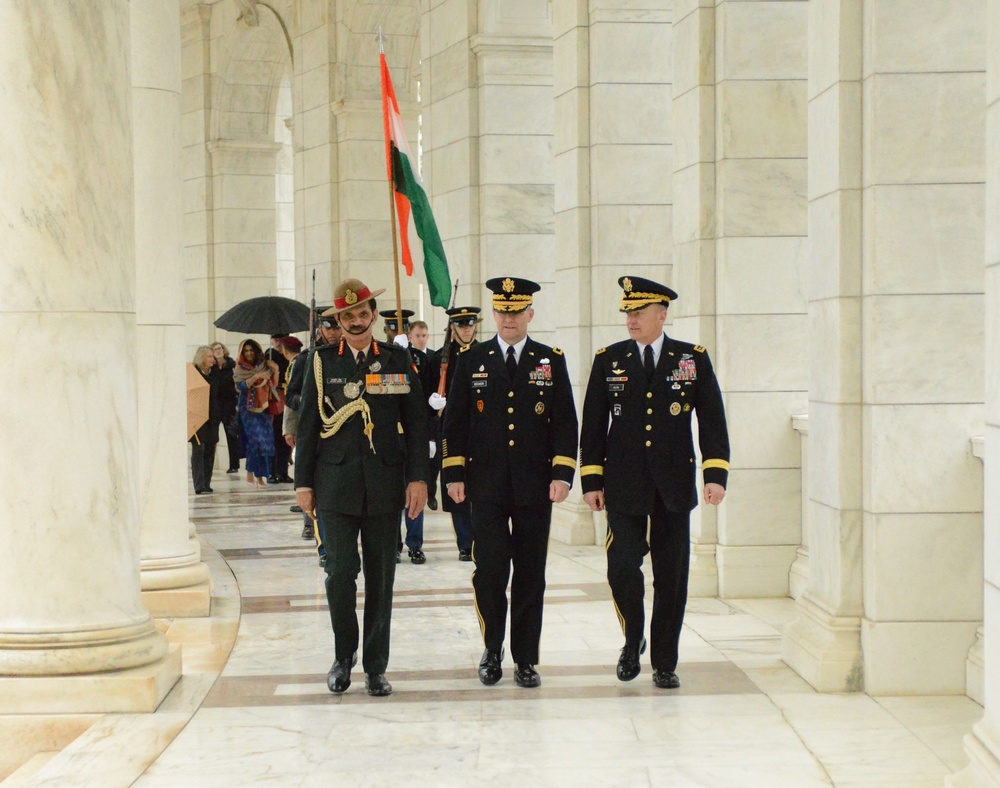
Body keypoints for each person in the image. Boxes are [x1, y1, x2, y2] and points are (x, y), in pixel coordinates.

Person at [579, 275, 730, 690]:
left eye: (639, 312)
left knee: (672, 575)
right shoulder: (609, 359)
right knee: (622, 566)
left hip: (673, 484)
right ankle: (632, 639)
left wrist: (715, 474)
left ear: (662, 314)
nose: (631, 319)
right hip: (623, 483)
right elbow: (593, 425)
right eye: (628, 312)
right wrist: (591, 479)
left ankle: (664, 660)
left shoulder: (691, 358)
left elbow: (712, 419)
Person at [294, 278, 429, 697]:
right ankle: (342, 656)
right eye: (347, 316)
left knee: (381, 576)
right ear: (338, 320)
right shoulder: (320, 363)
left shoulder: (396, 358)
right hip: (334, 485)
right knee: (339, 574)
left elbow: (418, 423)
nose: (355, 321)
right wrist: (302, 483)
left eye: (363, 313)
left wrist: (418, 478)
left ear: (374, 315)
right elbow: (308, 427)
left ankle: (375, 666)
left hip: (386, 485)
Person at [442, 277, 578, 689]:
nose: (508, 318)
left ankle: (526, 658)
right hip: (485, 485)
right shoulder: (473, 359)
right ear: (494, 315)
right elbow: (456, 421)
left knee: (530, 573)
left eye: (516, 311)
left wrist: (562, 473)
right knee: (490, 570)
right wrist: (453, 473)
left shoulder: (548, 359)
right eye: (502, 311)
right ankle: (491, 649)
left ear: (530, 315)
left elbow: (565, 421)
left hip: (535, 486)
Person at [286, 310, 342, 564]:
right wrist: (308, 402)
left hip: (343, 436)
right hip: (317, 435)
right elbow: (292, 395)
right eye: (328, 328)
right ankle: (323, 545)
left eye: (335, 328)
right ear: (320, 328)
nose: (332, 333)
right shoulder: (307, 358)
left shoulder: (347, 358)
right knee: (315, 487)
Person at [431, 306, 482, 559]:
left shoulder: (486, 354)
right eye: (461, 325)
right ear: (452, 328)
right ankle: (465, 544)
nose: (466, 329)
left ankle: (481, 539)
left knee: (482, 488)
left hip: (480, 432)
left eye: (470, 324)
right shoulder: (440, 359)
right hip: (450, 431)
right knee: (456, 487)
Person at [382, 309, 431, 565]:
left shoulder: (417, 358)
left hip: (409, 439)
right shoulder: (378, 358)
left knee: (414, 492)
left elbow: (420, 399)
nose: (394, 334)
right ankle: (393, 544)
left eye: (398, 330)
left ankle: (415, 544)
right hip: (387, 440)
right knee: (391, 498)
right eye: (391, 330)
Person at [233, 339, 278, 488]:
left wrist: (273, 370)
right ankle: (251, 473)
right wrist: (256, 377)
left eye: (251, 350)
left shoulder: (264, 365)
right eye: (246, 351)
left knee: (265, 441)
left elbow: (273, 384)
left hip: (264, 406)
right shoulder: (240, 368)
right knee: (254, 441)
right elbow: (240, 387)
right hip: (247, 408)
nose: (249, 353)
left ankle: (260, 475)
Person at [190, 346, 223, 495]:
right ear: (201, 358)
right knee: (199, 450)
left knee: (210, 449)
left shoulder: (216, 374)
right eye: (209, 356)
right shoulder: (194, 374)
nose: (212, 359)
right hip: (197, 416)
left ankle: (206, 483)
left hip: (213, 417)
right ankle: (199, 484)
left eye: (212, 356)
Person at [211, 342, 241, 473]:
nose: (218, 351)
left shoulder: (232, 365)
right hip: (216, 404)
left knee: (231, 434)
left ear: (224, 350)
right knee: (213, 434)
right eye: (215, 349)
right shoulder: (212, 367)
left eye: (219, 348)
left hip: (229, 403)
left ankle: (234, 465)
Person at [266, 334, 293, 484]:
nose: (277, 343)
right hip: (273, 398)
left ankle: (283, 471)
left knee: (285, 437)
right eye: (275, 340)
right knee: (273, 437)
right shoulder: (268, 355)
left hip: (286, 397)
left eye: (280, 340)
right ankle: (271, 471)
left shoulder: (288, 355)